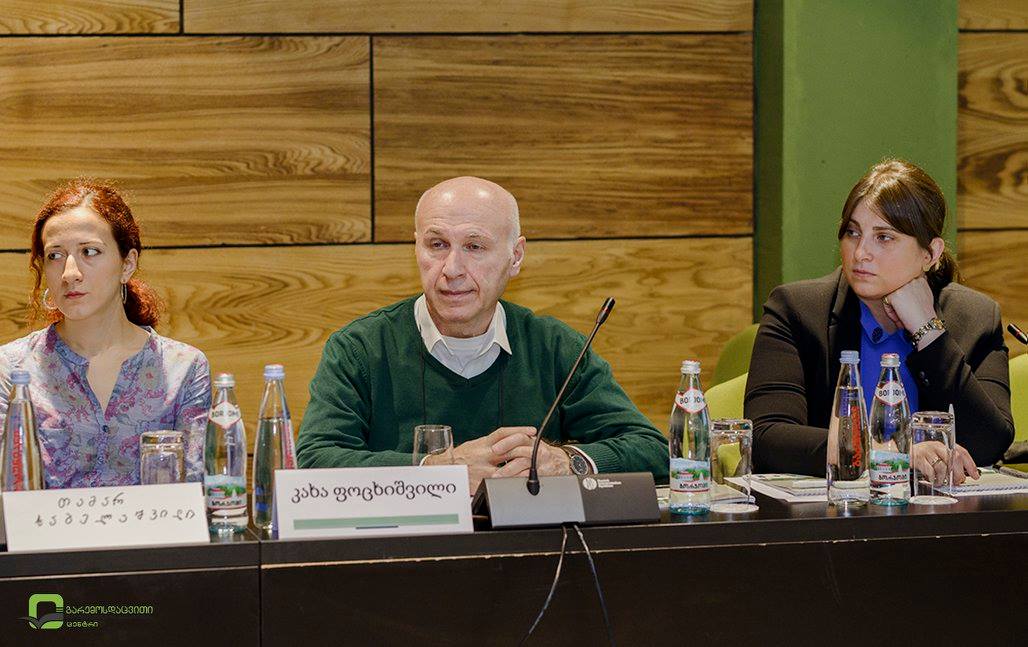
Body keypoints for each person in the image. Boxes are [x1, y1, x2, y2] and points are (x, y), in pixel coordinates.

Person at [297, 176, 668, 492]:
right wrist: (437, 470)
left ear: (515, 256)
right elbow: (314, 461)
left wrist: (568, 462)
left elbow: (653, 450)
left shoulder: (555, 348)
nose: (452, 269)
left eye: (474, 247)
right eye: (437, 245)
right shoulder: (360, 349)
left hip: (530, 548)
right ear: (416, 248)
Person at [745, 159, 1013, 484]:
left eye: (884, 237)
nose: (860, 253)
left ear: (930, 253)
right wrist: (891, 455)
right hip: (834, 509)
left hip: (935, 510)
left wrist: (929, 333)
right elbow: (766, 435)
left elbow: (990, 443)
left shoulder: (975, 317)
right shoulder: (797, 310)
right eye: (853, 232)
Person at [0, 179, 210, 489]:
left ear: (127, 264)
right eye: (55, 256)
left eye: (90, 251)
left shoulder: (183, 368)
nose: (70, 273)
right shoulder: (12, 368)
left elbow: (195, 492)